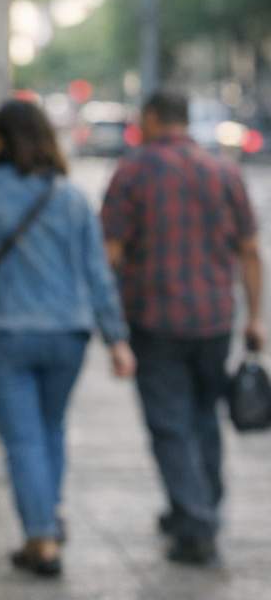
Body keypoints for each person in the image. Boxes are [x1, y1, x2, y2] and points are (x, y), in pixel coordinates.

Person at [0, 99, 136, 578]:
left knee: (23, 438)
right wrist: (116, 339)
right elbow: (98, 274)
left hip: (3, 334)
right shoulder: (71, 198)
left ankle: (42, 538)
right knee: (49, 429)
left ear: (0, 139)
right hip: (68, 335)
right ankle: (45, 517)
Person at [101, 90, 265, 566]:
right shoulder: (224, 170)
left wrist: (110, 324)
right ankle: (199, 508)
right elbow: (250, 251)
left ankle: (195, 523)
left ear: (152, 118)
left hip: (155, 319)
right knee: (204, 417)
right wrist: (256, 317)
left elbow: (109, 254)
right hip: (215, 319)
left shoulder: (132, 171)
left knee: (170, 423)